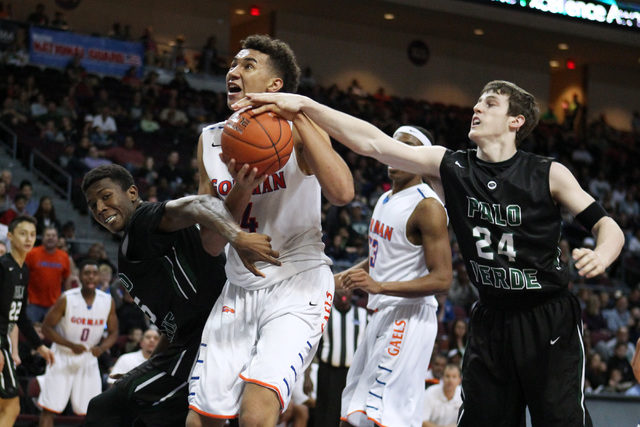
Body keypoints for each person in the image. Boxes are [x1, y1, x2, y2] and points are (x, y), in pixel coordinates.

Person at [238, 79, 625, 426]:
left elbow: (608, 226)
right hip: (491, 317)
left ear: (516, 121)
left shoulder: (547, 173)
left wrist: (603, 254)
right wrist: (304, 104)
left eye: (490, 104)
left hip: (546, 316)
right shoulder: (452, 166)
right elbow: (373, 142)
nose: (477, 108)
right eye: (477, 101)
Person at [187, 34, 354, 427]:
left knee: (257, 408)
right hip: (239, 286)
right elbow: (210, 243)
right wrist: (242, 188)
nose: (234, 71)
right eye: (233, 65)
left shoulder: (299, 129)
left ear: (275, 86)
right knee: (202, 420)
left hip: (299, 281)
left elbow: (343, 192)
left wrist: (297, 116)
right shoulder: (210, 140)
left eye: (248, 66)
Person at [81, 164, 279, 426]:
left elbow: (199, 204)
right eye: (93, 204)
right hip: (193, 342)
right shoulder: (138, 239)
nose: (100, 208)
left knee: (105, 410)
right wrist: (149, 366)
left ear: (131, 193)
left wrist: (237, 236)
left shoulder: (144, 220)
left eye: (105, 196)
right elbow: (173, 324)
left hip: (207, 340)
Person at [336, 126, 452, 427]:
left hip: (409, 317)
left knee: (382, 416)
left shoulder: (428, 206)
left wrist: (380, 285)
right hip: (381, 311)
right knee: (352, 412)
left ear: (421, 159)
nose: (395, 152)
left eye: (406, 148)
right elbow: (380, 258)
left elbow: (442, 280)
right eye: (392, 145)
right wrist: (347, 275)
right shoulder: (385, 198)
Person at [37, 258, 118, 426]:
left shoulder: (107, 301)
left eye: (94, 273)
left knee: (91, 409)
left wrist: (102, 348)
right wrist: (70, 345)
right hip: (62, 355)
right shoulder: (67, 298)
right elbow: (46, 328)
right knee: (49, 408)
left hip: (88, 358)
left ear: (99, 277)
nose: (91, 277)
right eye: (87, 273)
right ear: (80, 277)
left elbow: (114, 332)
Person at [0, 215, 54, 425]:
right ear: (10, 236)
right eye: (23, 233)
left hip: (4, 340)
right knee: (10, 405)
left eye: (32, 234)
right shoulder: (3, 266)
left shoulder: (23, 270)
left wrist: (39, 346)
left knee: (11, 407)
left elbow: (20, 316)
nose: (28, 238)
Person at [314, 287, 369, 427]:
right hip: (328, 371)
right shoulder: (324, 314)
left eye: (346, 289)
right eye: (339, 289)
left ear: (352, 293)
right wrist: (307, 375)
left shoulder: (362, 315)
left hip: (353, 374)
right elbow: (311, 345)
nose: (343, 293)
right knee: (324, 411)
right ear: (333, 292)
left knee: (348, 413)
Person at [25, 226, 72, 323]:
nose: (50, 237)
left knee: (52, 334)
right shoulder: (31, 254)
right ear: (43, 238)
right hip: (33, 304)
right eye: (48, 235)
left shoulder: (64, 256)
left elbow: (67, 278)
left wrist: (67, 298)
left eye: (53, 235)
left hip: (54, 304)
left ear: (57, 239)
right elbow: (23, 275)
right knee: (29, 334)